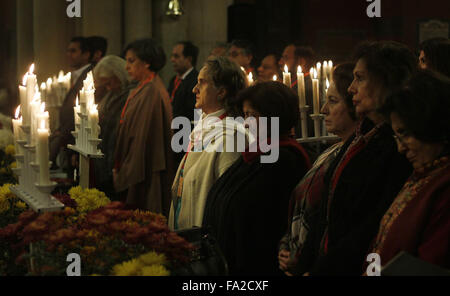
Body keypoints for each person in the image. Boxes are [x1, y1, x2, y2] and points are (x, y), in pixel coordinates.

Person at [299, 41, 416, 275]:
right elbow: (328, 208)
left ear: (386, 80)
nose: (352, 88)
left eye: (360, 78)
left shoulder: (398, 147)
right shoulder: (363, 135)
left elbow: (371, 225)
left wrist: (324, 268)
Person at [203, 81, 311, 275]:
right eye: (245, 115)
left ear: (273, 117)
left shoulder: (284, 159)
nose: (245, 123)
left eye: (252, 116)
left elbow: (266, 222)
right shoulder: (255, 154)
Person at [278, 63, 358, 276]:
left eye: (332, 101)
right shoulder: (330, 152)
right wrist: (287, 246)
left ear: (355, 104)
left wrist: (307, 263)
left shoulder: (356, 158)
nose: (323, 110)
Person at [370, 69, 450, 270]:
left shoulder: (444, 185)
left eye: (404, 133)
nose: (400, 148)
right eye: (397, 136)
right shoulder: (423, 175)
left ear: (430, 124)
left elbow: (429, 265)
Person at [168, 56, 247, 230]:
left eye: (202, 83)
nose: (194, 89)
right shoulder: (203, 128)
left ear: (221, 92)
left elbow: (229, 198)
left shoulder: (231, 136)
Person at [113, 38, 174, 215]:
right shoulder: (144, 87)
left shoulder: (152, 92)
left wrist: (127, 170)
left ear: (147, 62)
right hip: (134, 159)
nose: (126, 67)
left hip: (145, 165)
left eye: (131, 61)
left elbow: (143, 137)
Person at [92, 55, 133, 200]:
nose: (107, 88)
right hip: (104, 159)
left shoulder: (129, 96)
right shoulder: (111, 95)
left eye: (109, 83)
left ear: (118, 76)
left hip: (117, 159)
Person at [49, 36, 93, 171]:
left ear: (86, 54)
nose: (68, 55)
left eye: (73, 51)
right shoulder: (78, 75)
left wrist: (63, 132)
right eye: (68, 51)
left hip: (77, 138)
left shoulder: (89, 76)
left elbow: (80, 110)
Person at [168, 41, 199, 165]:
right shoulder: (173, 80)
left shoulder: (194, 80)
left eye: (176, 56)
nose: (172, 60)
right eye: (172, 56)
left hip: (185, 136)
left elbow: (193, 113)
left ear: (188, 59)